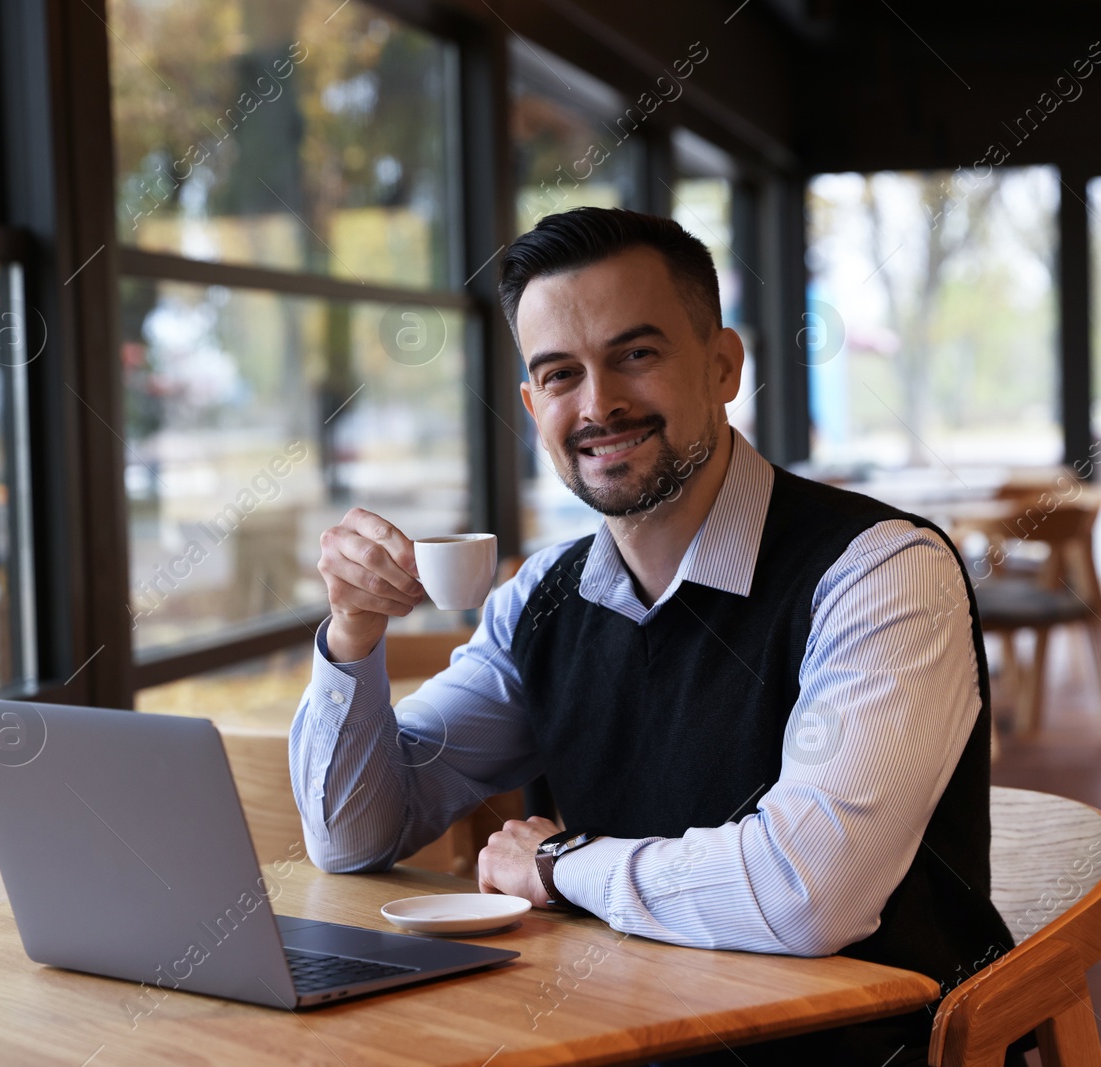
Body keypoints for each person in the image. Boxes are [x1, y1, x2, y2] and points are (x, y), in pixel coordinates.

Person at [291, 207, 1016, 1064]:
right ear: (533, 405)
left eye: (635, 354)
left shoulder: (880, 571)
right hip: (612, 1034)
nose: (598, 404)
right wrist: (354, 631)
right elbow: (354, 835)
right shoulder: (539, 600)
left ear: (721, 366)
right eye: (560, 374)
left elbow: (811, 894)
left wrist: (563, 863)